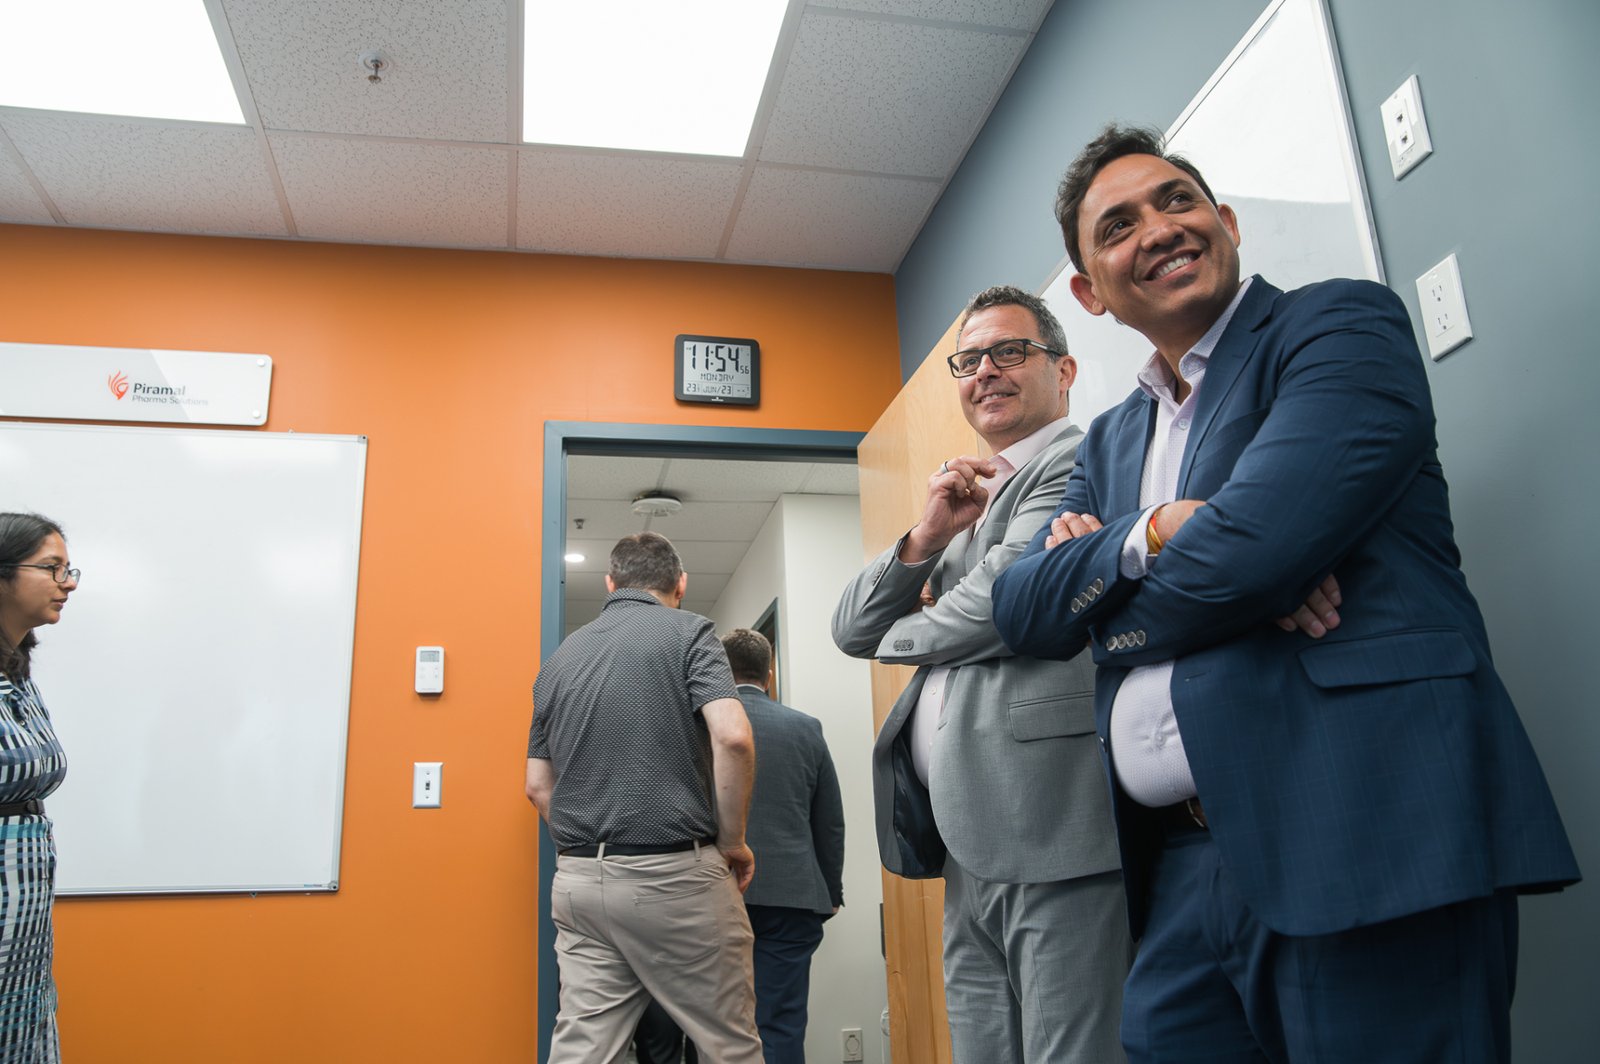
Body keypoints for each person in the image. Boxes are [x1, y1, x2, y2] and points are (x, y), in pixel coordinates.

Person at [990, 124, 1581, 1062]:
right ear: (1089, 293)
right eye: (1118, 226)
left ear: (1224, 222)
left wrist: (1106, 596)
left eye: (1177, 200)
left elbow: (1251, 553)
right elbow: (1021, 611)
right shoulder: (1107, 440)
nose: (1159, 228)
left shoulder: (1338, 327)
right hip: (1180, 872)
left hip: (1363, 829)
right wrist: (1154, 531)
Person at [833, 285, 1129, 1063]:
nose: (986, 371)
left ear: (1064, 370)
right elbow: (851, 625)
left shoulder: (1078, 461)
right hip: (971, 839)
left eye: (1009, 352)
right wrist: (927, 536)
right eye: (969, 360)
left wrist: (908, 633)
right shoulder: (974, 496)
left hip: (1051, 827)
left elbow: (999, 609)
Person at [525, 532, 763, 1064]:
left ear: (611, 583)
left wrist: (589, 853)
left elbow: (537, 787)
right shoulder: (690, 632)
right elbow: (733, 737)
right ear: (681, 584)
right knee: (728, 1045)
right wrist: (733, 842)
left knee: (585, 1048)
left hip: (579, 885)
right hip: (674, 878)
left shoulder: (558, 661)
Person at [721, 628, 844, 1064]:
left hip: (718, 892)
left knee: (717, 1023)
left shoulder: (702, 727)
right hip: (792, 897)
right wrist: (831, 890)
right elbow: (828, 821)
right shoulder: (805, 728)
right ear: (769, 675)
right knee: (781, 1023)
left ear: (719, 672)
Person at [0, 513, 75, 1064]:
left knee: (22, 1027)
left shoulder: (18, 671)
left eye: (69, 570)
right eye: (52, 568)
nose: (67, 583)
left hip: (23, 907)